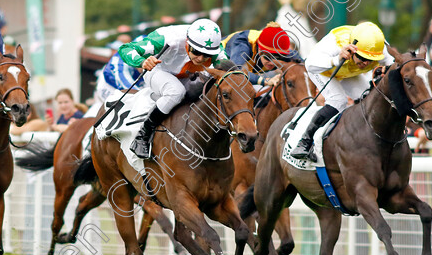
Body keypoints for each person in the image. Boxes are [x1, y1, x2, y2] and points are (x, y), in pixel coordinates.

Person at [118, 18, 229, 159]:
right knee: (176, 91)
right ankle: (143, 135)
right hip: (157, 69)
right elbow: (125, 49)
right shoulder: (166, 38)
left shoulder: (216, 48)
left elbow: (228, 71)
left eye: (206, 55)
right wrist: (142, 61)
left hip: (185, 74)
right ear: (188, 42)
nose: (201, 58)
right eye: (196, 51)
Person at [291, 21, 394, 161]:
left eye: (371, 60)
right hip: (323, 69)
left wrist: (387, 70)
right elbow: (310, 64)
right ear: (352, 48)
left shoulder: (381, 49)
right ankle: (304, 142)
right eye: (363, 58)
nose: (366, 64)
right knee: (338, 100)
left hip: (348, 71)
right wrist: (336, 59)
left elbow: (394, 66)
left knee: (368, 97)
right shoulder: (334, 43)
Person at [222, 22, 301, 92]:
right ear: (260, 50)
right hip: (216, 65)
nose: (272, 62)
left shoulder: (286, 53)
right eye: (268, 57)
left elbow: (303, 65)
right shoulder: (242, 45)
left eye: (277, 57)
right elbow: (236, 72)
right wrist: (266, 81)